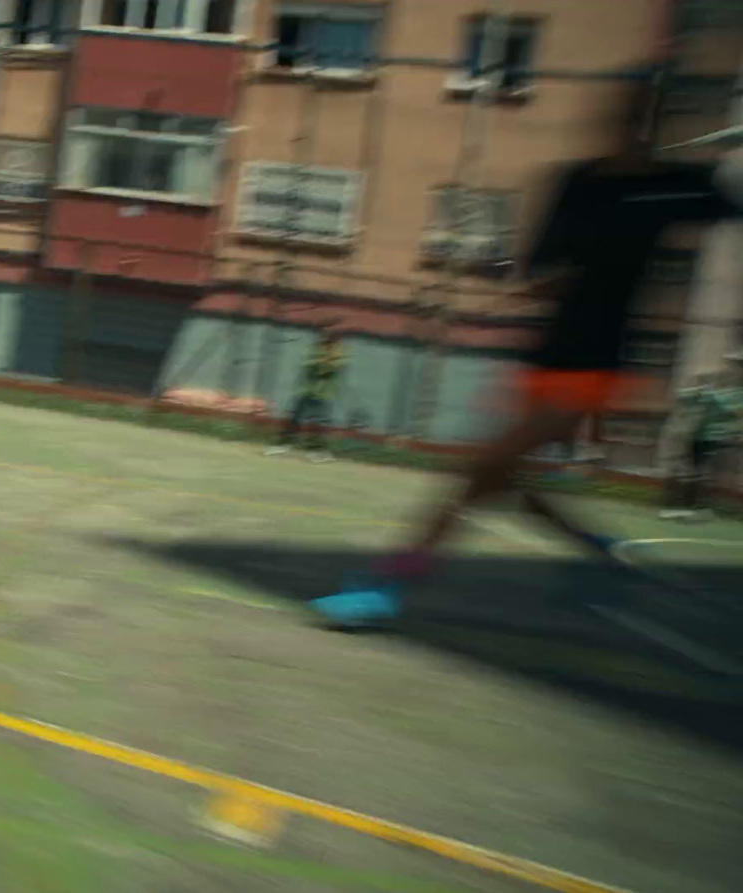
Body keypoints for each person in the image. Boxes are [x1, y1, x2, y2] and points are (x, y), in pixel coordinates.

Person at [309, 77, 743, 628]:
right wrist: (538, 279)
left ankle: (387, 587)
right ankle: (600, 550)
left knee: (481, 472)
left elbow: (730, 202)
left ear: (656, 124)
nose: (627, 126)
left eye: (640, 116)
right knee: (505, 482)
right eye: (619, 113)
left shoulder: (674, 186)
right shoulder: (577, 183)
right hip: (545, 359)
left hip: (598, 364)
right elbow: (538, 268)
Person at [660, 368, 742, 522]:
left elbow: (728, 412)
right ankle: (678, 507)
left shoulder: (711, 398)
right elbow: (683, 397)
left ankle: (688, 508)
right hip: (693, 438)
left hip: (702, 438)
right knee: (687, 473)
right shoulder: (701, 396)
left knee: (696, 474)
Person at [265, 326, 346, 462]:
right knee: (295, 418)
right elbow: (311, 364)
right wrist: (324, 362)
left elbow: (335, 367)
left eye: (329, 335)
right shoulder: (316, 349)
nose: (325, 337)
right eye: (324, 334)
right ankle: (283, 445)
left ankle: (317, 451)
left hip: (324, 394)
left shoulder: (339, 351)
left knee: (318, 423)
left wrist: (326, 362)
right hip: (308, 390)